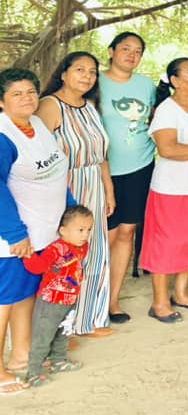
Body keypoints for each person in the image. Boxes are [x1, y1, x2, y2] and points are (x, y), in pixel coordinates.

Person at [0, 67, 70, 395]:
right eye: (17, 94)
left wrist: (70, 211)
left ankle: (21, 354)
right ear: (1, 101)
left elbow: (55, 172)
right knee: (3, 301)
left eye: (31, 92)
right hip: (14, 236)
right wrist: (15, 233)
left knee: (25, 293)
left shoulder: (37, 124)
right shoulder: (3, 135)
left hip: (43, 230)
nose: (26, 98)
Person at [37, 52, 114, 338]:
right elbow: (38, 153)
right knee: (66, 257)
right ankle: (61, 330)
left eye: (92, 71)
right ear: (63, 73)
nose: (87, 76)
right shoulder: (50, 105)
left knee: (94, 252)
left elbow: (101, 155)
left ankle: (89, 320)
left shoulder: (90, 107)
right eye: (80, 69)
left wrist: (108, 190)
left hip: (94, 185)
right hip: (66, 187)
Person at [140, 58, 188, 324]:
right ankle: (160, 302)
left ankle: (182, 293)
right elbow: (168, 149)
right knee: (166, 243)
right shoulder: (167, 110)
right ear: (175, 81)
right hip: (172, 188)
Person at [98, 31, 155, 324]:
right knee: (103, 236)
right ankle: (90, 301)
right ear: (111, 51)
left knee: (127, 231)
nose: (132, 55)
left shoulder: (146, 85)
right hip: (102, 169)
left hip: (140, 166)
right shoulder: (95, 82)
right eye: (125, 49)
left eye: (137, 51)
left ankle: (113, 300)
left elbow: (154, 119)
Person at [22, 205, 94, 387]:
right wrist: (28, 253)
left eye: (88, 230)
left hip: (70, 300)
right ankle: (33, 373)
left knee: (64, 333)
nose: (85, 235)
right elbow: (37, 267)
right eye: (80, 230)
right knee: (43, 337)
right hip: (50, 302)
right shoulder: (55, 249)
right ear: (63, 230)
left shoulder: (82, 247)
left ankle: (59, 361)